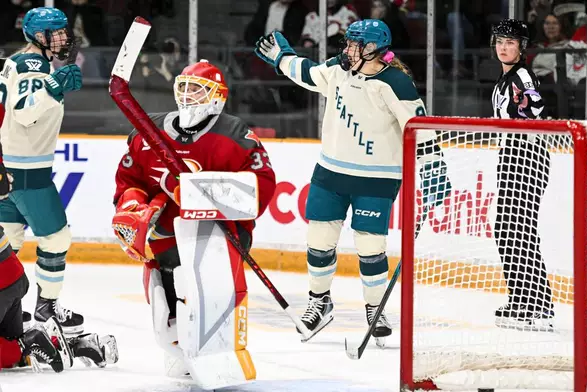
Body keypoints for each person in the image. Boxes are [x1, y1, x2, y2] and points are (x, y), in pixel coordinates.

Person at [254, 20, 451, 343]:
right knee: (319, 241)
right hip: (331, 172)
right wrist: (282, 57)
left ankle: (375, 307)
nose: (346, 50)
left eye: (353, 45)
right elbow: (309, 73)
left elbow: (420, 129)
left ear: (372, 49)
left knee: (370, 247)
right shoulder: (337, 70)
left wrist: (434, 168)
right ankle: (320, 302)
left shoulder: (396, 83)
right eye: (346, 44)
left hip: (377, 179)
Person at [112, 59, 276, 387]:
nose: (188, 96)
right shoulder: (148, 132)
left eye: (198, 89)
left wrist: (196, 192)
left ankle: (220, 352)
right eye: (183, 87)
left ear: (217, 96)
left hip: (220, 233)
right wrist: (132, 205)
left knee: (203, 286)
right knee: (164, 305)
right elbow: (129, 179)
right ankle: (177, 348)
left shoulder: (236, 135)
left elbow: (260, 190)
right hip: (166, 234)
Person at [0, 96, 117, 373]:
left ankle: (28, 341)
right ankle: (69, 344)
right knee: (8, 354)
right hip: (10, 277)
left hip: (4, 282)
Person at [0, 7, 84, 335]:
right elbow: (24, 113)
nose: (64, 38)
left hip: (10, 166)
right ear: (39, 36)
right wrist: (53, 87)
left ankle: (7, 310)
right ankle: (46, 308)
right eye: (57, 32)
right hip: (28, 171)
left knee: (10, 240)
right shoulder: (33, 64)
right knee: (56, 237)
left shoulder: (21, 62)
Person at [490, 19, 553, 331]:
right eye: (500, 41)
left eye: (510, 42)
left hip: (526, 156)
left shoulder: (522, 76)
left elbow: (538, 108)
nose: (504, 46)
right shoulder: (505, 78)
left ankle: (534, 302)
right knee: (508, 227)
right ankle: (524, 298)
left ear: (522, 47)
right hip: (512, 155)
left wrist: (528, 112)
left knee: (516, 228)